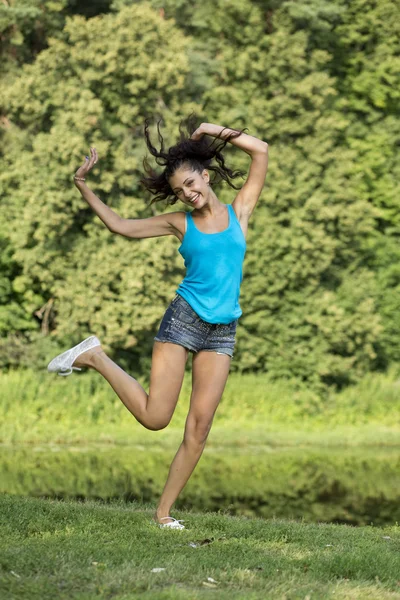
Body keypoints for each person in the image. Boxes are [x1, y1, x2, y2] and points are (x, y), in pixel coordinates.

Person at [47, 115, 269, 529]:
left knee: (199, 428)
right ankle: (94, 357)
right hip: (184, 319)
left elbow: (261, 151)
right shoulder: (179, 223)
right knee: (155, 418)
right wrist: (82, 185)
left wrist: (210, 129)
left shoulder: (241, 211)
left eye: (191, 184)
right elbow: (120, 226)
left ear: (205, 176)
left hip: (222, 331)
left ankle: (164, 514)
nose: (187, 194)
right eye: (179, 191)